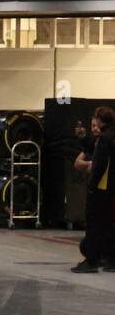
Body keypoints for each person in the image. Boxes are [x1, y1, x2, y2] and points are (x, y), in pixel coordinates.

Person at [71, 105, 115, 273]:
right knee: (108, 224)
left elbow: (100, 165)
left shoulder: (104, 139)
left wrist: (92, 185)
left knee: (94, 224)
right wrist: (83, 139)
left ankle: (91, 261)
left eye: (96, 120)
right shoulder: (110, 136)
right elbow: (94, 150)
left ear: (100, 120)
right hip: (110, 188)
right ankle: (111, 260)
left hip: (101, 187)